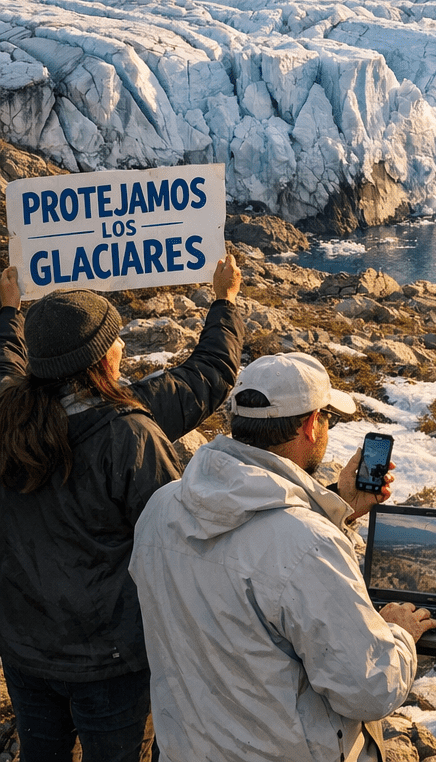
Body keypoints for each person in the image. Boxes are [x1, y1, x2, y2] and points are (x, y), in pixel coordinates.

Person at [129, 351, 436, 762]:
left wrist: (339, 505)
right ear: (312, 425)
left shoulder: (162, 508)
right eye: (327, 417)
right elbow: (369, 688)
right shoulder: (308, 545)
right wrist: (399, 633)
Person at [0, 257, 244, 762]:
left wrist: (8, 314)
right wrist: (223, 301)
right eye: (115, 341)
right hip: (112, 662)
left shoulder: (6, 414)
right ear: (100, 361)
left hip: (25, 648)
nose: (122, 347)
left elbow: (5, 365)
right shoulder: (130, 433)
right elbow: (209, 375)